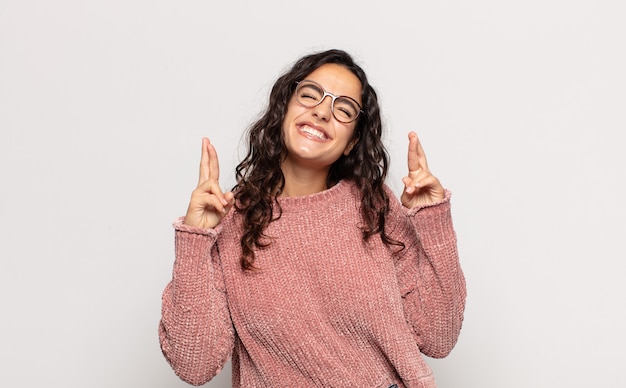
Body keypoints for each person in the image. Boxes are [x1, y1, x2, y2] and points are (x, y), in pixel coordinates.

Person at [159, 49, 466, 388]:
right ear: (284, 108)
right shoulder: (230, 223)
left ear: (352, 143)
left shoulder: (374, 205)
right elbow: (193, 364)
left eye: (344, 109)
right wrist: (194, 240)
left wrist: (433, 221)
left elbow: (438, 337)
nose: (322, 111)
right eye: (309, 95)